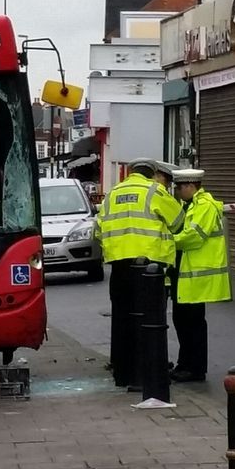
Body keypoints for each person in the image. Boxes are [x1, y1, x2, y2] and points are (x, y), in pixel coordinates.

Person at [95, 157, 185, 388]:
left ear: (130, 172)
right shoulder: (155, 191)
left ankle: (123, 373)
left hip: (119, 267)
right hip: (149, 268)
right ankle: (149, 374)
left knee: (122, 319)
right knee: (150, 321)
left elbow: (97, 230)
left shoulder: (113, 193)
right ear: (152, 173)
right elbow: (177, 222)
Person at [169, 168, 231, 382]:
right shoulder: (190, 205)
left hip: (196, 275)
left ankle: (194, 369)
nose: (177, 191)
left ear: (190, 186)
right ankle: (185, 364)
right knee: (183, 321)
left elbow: (194, 236)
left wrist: (167, 240)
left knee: (192, 323)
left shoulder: (204, 206)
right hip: (187, 273)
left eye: (179, 187)